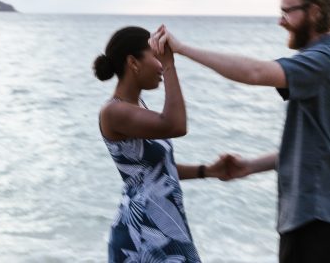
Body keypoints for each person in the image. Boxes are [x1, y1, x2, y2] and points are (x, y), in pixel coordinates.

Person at [151, 0, 330, 263]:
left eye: (287, 12)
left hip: (316, 212)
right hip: (310, 212)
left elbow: (255, 72)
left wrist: (182, 49)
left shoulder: (324, 62)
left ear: (314, 11)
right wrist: (250, 166)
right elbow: (314, 147)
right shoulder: (322, 64)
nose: (280, 20)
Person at [94, 25, 229, 263]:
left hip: (163, 229)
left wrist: (207, 171)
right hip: (144, 236)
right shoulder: (114, 111)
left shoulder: (138, 108)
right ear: (133, 62)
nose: (160, 65)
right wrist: (169, 64)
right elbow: (176, 124)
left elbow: (157, 170)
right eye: (155, 57)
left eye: (161, 59)